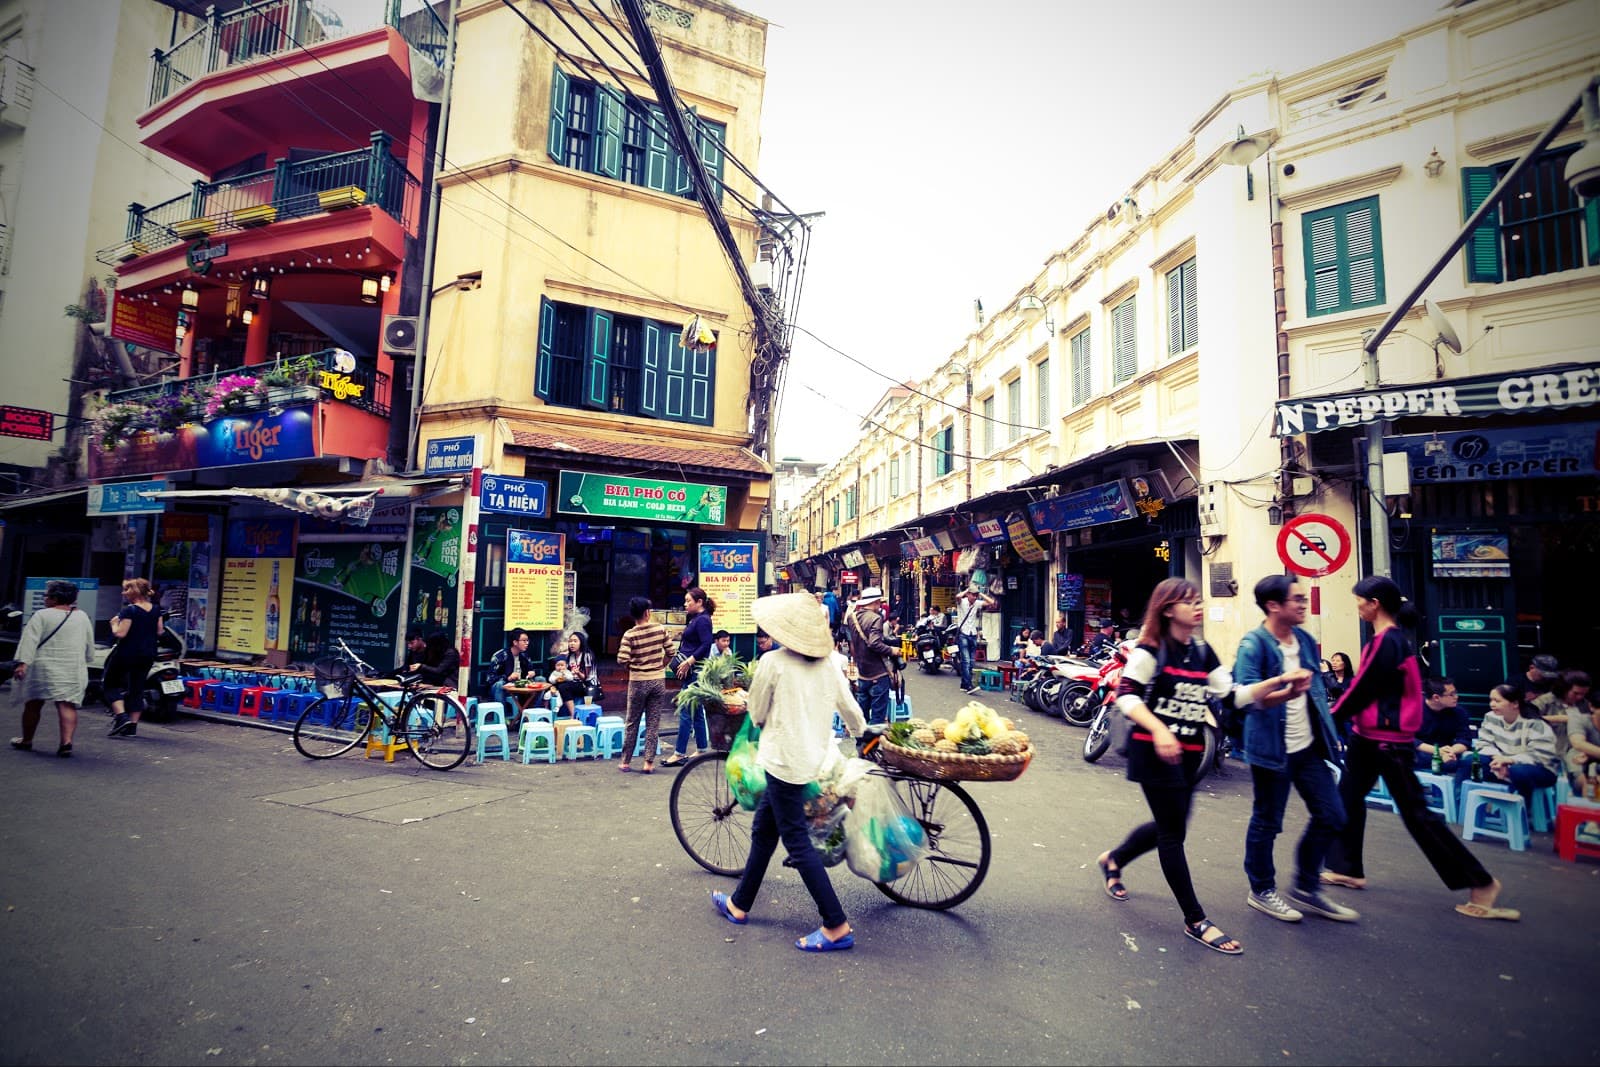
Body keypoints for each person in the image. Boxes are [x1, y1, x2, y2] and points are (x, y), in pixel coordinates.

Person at [1094, 578, 1284, 956]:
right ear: (1168, 609)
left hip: (1190, 755)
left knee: (1172, 826)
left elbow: (1231, 696)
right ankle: (1195, 918)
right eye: (1189, 602)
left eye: (1199, 601)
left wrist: (1279, 685)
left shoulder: (1200, 650)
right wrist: (1159, 728)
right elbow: (1126, 696)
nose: (1198, 607)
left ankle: (1114, 859)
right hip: (1153, 753)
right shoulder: (1150, 650)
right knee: (1172, 834)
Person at [1321, 576, 1518, 921]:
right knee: (1347, 801)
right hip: (1370, 737)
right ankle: (1347, 868)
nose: (1357, 606)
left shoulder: (1389, 642)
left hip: (1388, 741)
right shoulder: (1386, 640)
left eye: (1359, 601)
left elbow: (1363, 689)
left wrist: (1330, 715)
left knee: (1418, 816)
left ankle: (1482, 883)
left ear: (1374, 603)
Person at [709, 592, 866, 952]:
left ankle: (836, 924)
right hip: (811, 759)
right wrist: (864, 734)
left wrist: (764, 722)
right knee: (764, 829)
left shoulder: (773, 663)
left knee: (795, 840)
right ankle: (739, 903)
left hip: (782, 762)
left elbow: (758, 711)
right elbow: (851, 709)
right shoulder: (828, 664)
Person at [1233, 575, 1356, 924]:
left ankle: (1305, 887)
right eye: (1297, 600)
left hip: (1308, 748)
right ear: (1274, 606)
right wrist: (1286, 690)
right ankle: (1261, 889)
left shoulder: (1302, 638)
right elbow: (1246, 699)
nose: (1303, 605)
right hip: (1271, 749)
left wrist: (1331, 735)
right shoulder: (1253, 645)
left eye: (1304, 599)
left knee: (1332, 814)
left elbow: (1317, 693)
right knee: (1268, 821)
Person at [9, 580, 96, 758]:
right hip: (71, 666)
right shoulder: (82, 616)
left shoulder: (41, 615)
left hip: (43, 665)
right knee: (66, 703)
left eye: (47, 595)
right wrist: (87, 659)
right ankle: (66, 742)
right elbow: (89, 642)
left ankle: (26, 740)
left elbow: (30, 640)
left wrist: (22, 663)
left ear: (55, 598)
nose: (44, 598)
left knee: (33, 703)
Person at [1453, 684, 1559, 807]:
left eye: (1497, 701)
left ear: (1514, 703)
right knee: (1470, 761)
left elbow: (1540, 755)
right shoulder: (1491, 717)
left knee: (1518, 771)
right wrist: (1497, 759)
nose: (1492, 704)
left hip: (1538, 769)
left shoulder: (1535, 724)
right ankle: (1462, 806)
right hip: (1499, 762)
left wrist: (1509, 760)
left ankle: (1521, 811)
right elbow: (1483, 743)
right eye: (1491, 700)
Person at [616, 596, 670, 773]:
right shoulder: (660, 629)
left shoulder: (630, 634)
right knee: (653, 723)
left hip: (638, 682)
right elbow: (671, 652)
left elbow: (622, 659)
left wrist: (634, 667)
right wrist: (660, 666)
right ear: (647, 612)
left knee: (632, 722)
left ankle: (625, 761)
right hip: (658, 680)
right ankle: (648, 763)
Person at [106, 577, 165, 738]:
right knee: (137, 687)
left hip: (127, 653)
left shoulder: (129, 610)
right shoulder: (156, 609)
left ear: (134, 592)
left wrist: (113, 624)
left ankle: (121, 717)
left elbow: (120, 633)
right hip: (147, 654)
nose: (123, 593)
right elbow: (160, 631)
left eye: (126, 589)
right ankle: (132, 726)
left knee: (110, 683)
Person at [663, 587, 715, 766]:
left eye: (688, 601)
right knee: (697, 712)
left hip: (695, 672)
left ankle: (679, 753)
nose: (685, 604)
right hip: (693, 672)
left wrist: (689, 662)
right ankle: (701, 749)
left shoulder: (703, 620)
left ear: (699, 602)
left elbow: (707, 644)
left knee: (685, 711)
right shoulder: (697, 619)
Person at [843, 586, 896, 726]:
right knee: (877, 718)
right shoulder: (875, 618)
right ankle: (872, 746)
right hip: (877, 674)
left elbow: (852, 644)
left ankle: (862, 745)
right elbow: (874, 643)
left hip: (862, 672)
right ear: (876, 602)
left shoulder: (852, 617)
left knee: (862, 716)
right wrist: (892, 650)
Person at [1414, 677, 1470, 773]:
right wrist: (1437, 751)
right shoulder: (1413, 709)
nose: (1456, 697)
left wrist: (1451, 751)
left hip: (1447, 752)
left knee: (1459, 762)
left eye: (1455, 692)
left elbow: (1465, 739)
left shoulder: (1459, 712)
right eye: (1451, 694)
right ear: (1436, 697)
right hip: (1420, 750)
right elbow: (1408, 738)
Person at [952, 583, 997, 695]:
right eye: (973, 595)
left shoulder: (977, 603)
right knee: (966, 660)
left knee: (971, 662)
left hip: (973, 634)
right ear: (968, 595)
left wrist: (980, 593)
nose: (975, 597)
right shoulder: (962, 602)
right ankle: (968, 686)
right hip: (963, 634)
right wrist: (967, 590)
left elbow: (992, 602)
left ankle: (963, 684)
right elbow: (957, 597)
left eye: (976, 595)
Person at [1558, 671, 1599, 790]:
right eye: (1576, 693)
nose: (1580, 697)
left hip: (1591, 753)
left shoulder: (1584, 704)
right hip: (1562, 748)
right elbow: (1578, 743)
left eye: (1583, 694)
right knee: (1576, 756)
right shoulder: (1546, 701)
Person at [488, 629, 535, 711]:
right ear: (515, 642)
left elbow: (530, 670)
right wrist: (508, 678)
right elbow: (490, 679)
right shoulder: (500, 656)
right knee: (499, 685)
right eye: (524, 640)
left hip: (521, 687)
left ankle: (530, 712)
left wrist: (532, 673)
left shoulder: (524, 656)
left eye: (527, 640)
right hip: (503, 689)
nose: (527, 643)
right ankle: (502, 718)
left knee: (541, 679)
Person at [554, 631, 595, 716]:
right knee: (557, 683)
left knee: (564, 687)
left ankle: (573, 715)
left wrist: (578, 672)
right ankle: (557, 711)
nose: (572, 644)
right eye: (570, 641)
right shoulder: (571, 656)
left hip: (587, 685)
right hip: (575, 683)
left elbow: (585, 677)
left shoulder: (587, 655)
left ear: (581, 642)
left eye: (575, 641)